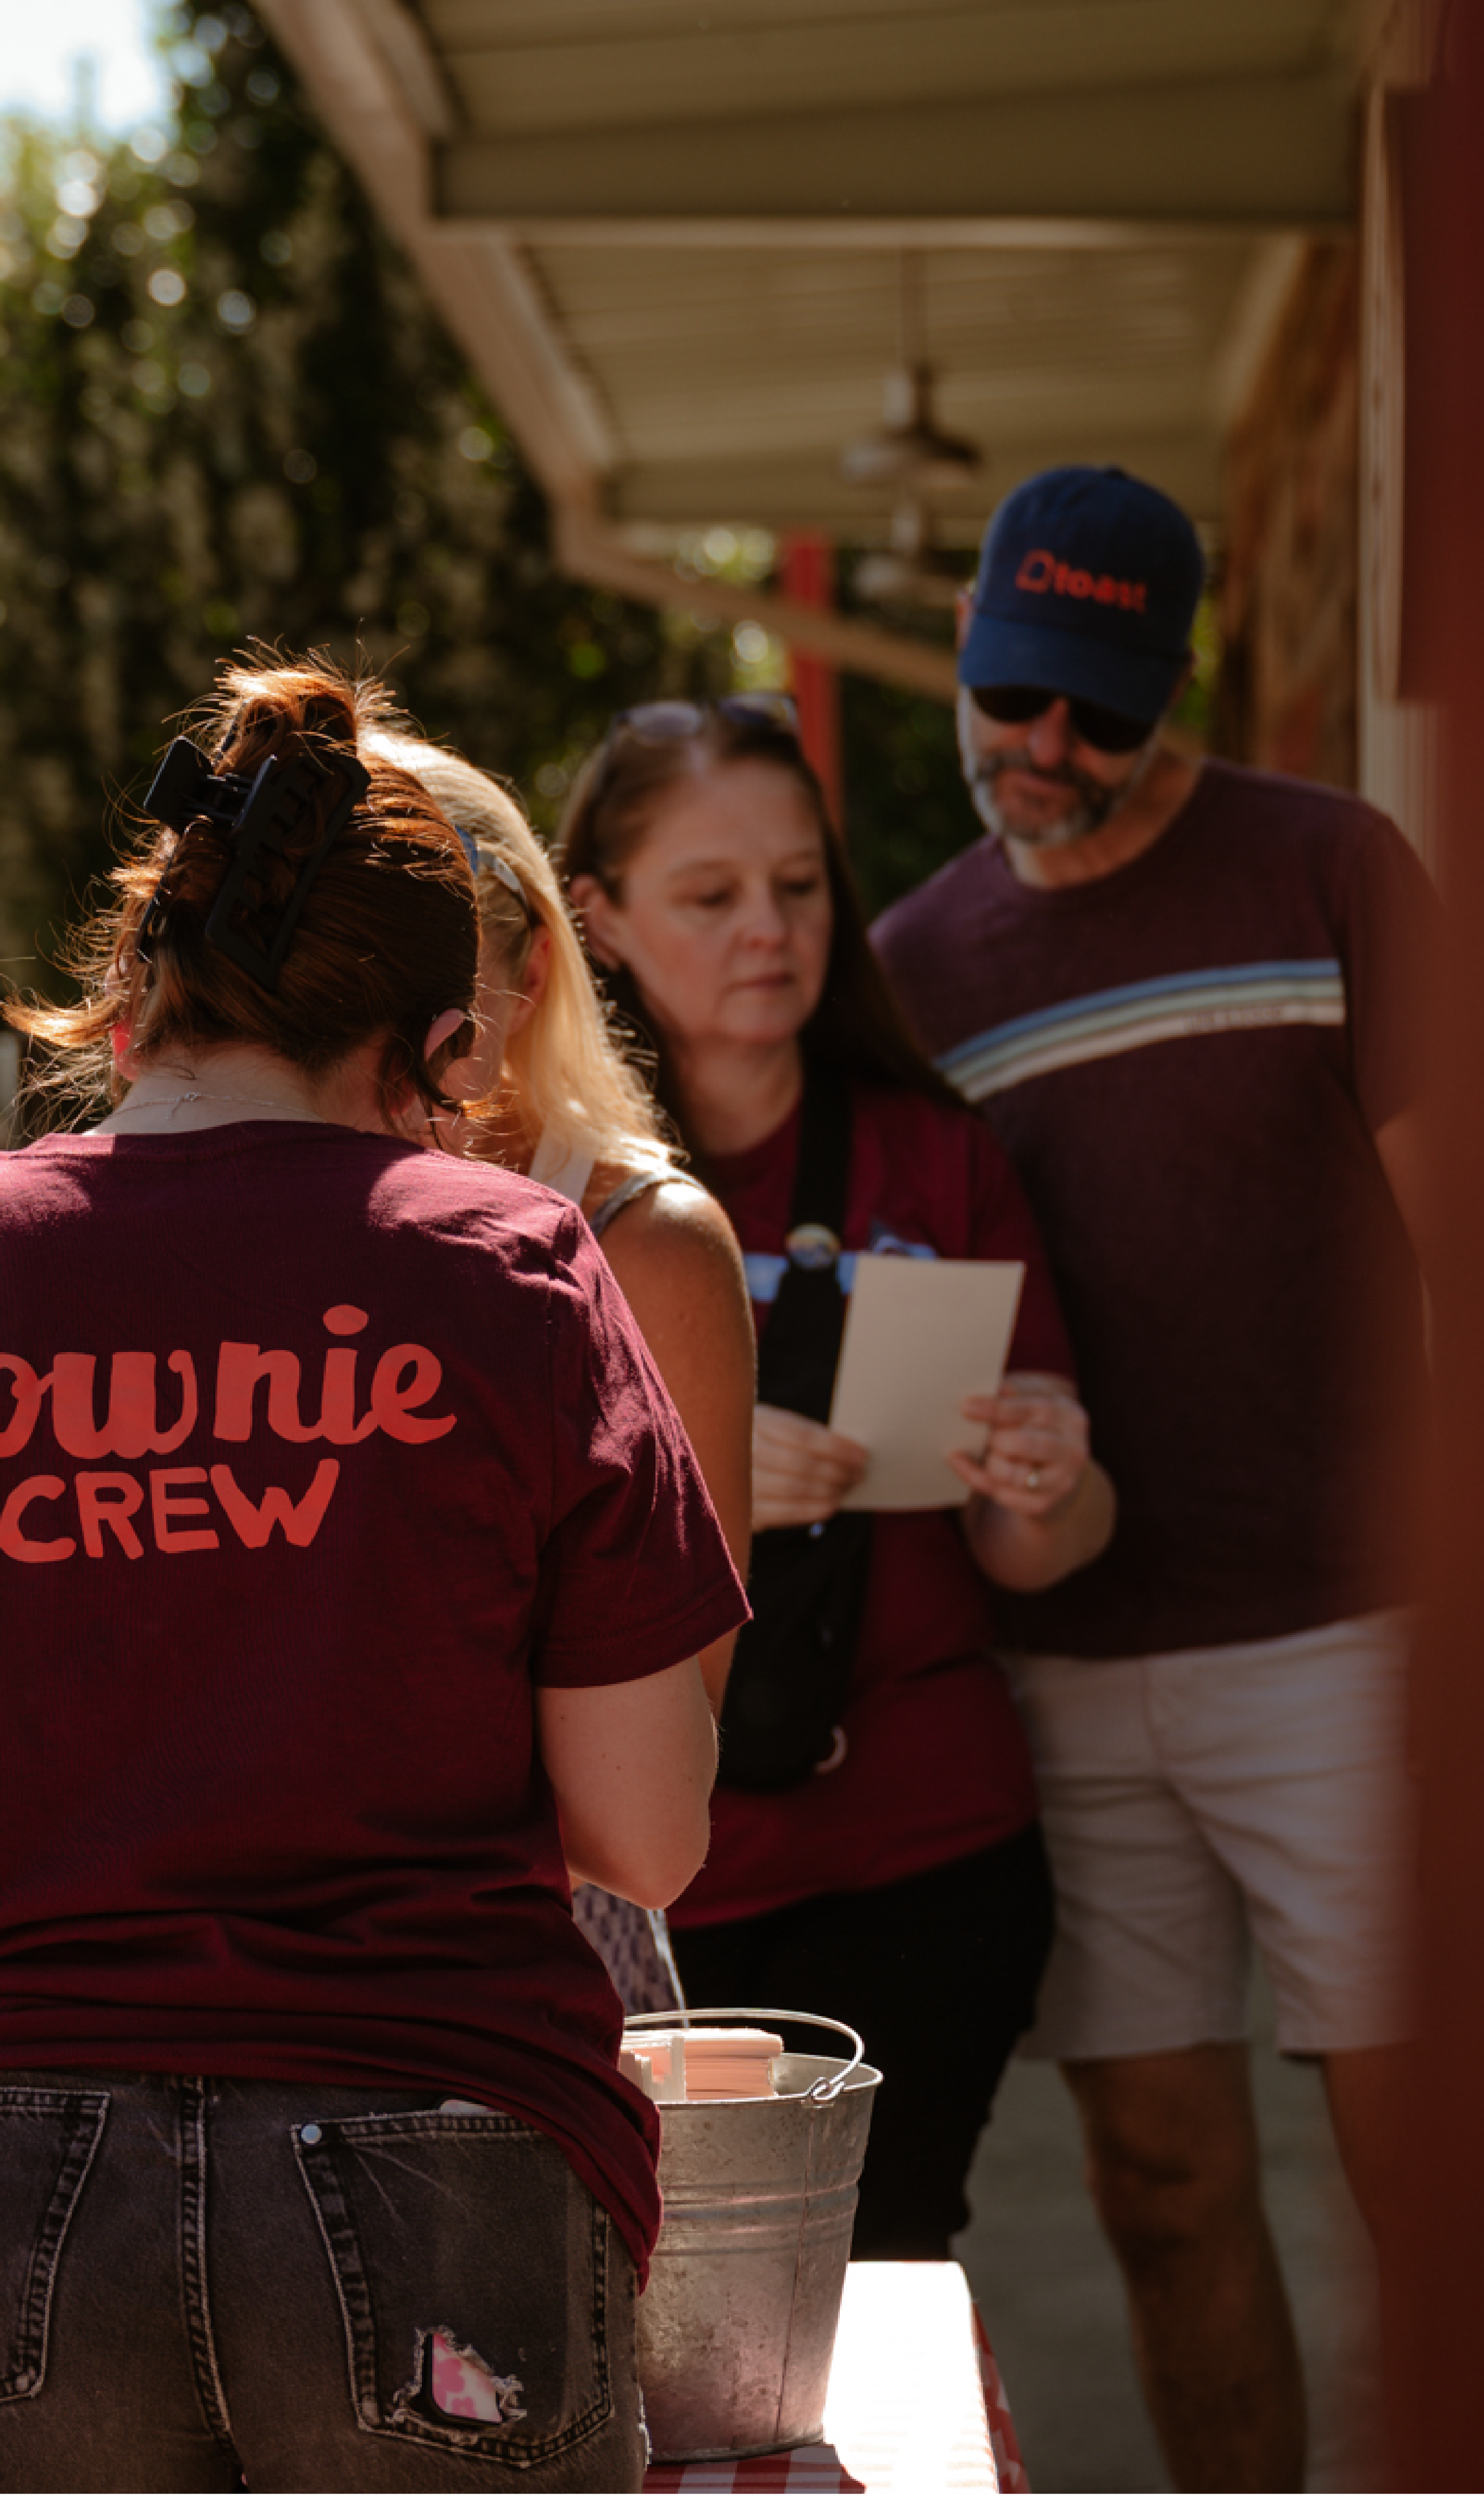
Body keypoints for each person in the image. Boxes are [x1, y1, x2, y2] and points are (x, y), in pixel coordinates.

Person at [0, 662, 746, 2495]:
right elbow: (648, 1834)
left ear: (132, 1004)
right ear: (442, 1046)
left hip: (12, 2170)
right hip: (445, 2142)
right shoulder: (513, 1265)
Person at [871, 465, 1435, 2492]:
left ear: (1175, 688)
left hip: (1353, 1632)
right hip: (1069, 1666)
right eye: (1014, 693)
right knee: (1163, 2185)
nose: (1047, 746)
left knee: (1435, 2168)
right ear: (968, 649)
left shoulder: (1332, 866)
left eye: (1100, 711)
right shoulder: (913, 966)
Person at [559, 692, 1115, 2261]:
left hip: (924, 1848)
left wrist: (1048, 1480)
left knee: (877, 2280)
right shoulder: (534, 1185)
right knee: (647, 2299)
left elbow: (1040, 1549)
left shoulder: (939, 1155)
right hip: (649, 1873)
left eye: (799, 886)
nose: (769, 929)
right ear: (596, 917)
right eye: (711, 895)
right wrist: (707, 1480)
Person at [372, 736, 755, 2012]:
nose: (376, 1026)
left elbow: (665, 1755)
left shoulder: (643, 1241)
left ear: (528, 969)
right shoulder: (229, 1213)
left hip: (526, 1952)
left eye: (427, 972)